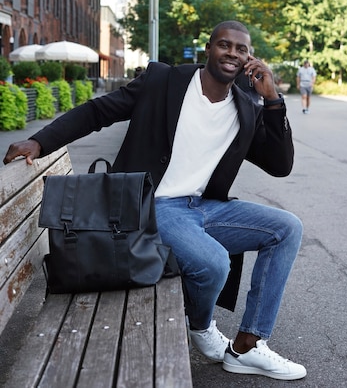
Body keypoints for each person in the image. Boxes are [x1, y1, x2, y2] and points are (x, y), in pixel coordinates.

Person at [3, 21, 306, 381]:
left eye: (241, 50)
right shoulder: (164, 81)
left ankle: (247, 345)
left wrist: (272, 99)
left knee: (286, 228)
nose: (232, 54)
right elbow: (99, 112)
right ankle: (202, 327)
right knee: (213, 263)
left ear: (248, 58)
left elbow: (280, 165)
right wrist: (40, 142)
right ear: (208, 49)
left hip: (203, 207)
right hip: (152, 205)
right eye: (225, 45)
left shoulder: (246, 104)